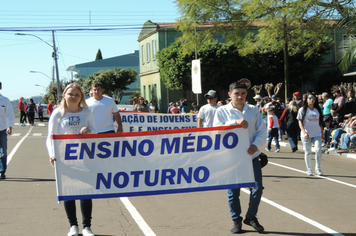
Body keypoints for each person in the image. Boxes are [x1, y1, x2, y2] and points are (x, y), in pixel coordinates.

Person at [213, 81, 266, 233]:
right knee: (233, 192)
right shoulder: (222, 111)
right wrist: (234, 122)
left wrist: (256, 144)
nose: (240, 96)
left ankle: (251, 217)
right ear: (230, 95)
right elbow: (216, 130)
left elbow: (262, 130)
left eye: (243, 93)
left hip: (252, 156)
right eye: (237, 93)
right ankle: (236, 221)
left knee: (257, 188)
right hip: (231, 158)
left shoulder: (253, 110)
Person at [46, 83, 97, 236]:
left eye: (77, 94)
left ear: (81, 97)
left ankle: (87, 227)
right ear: (64, 96)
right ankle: (73, 226)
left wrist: (89, 131)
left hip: (84, 157)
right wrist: (51, 154)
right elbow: (50, 137)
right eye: (70, 94)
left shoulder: (87, 113)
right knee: (68, 192)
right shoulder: (58, 113)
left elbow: (96, 132)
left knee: (85, 192)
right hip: (64, 159)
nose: (73, 97)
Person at [297, 91, 324, 176]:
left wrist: (322, 133)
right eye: (310, 98)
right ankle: (309, 169)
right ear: (306, 99)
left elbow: (320, 122)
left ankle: (318, 168)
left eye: (313, 98)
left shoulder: (318, 109)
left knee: (318, 150)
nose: (312, 100)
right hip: (306, 134)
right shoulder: (302, 109)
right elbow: (300, 122)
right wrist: (304, 132)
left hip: (317, 134)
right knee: (308, 151)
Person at [0, 82, 15, 180]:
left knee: (3, 152)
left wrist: (10, 126)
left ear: (0, 87)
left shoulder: (5, 100)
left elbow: (10, 114)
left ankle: (2, 171)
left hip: (2, 129)